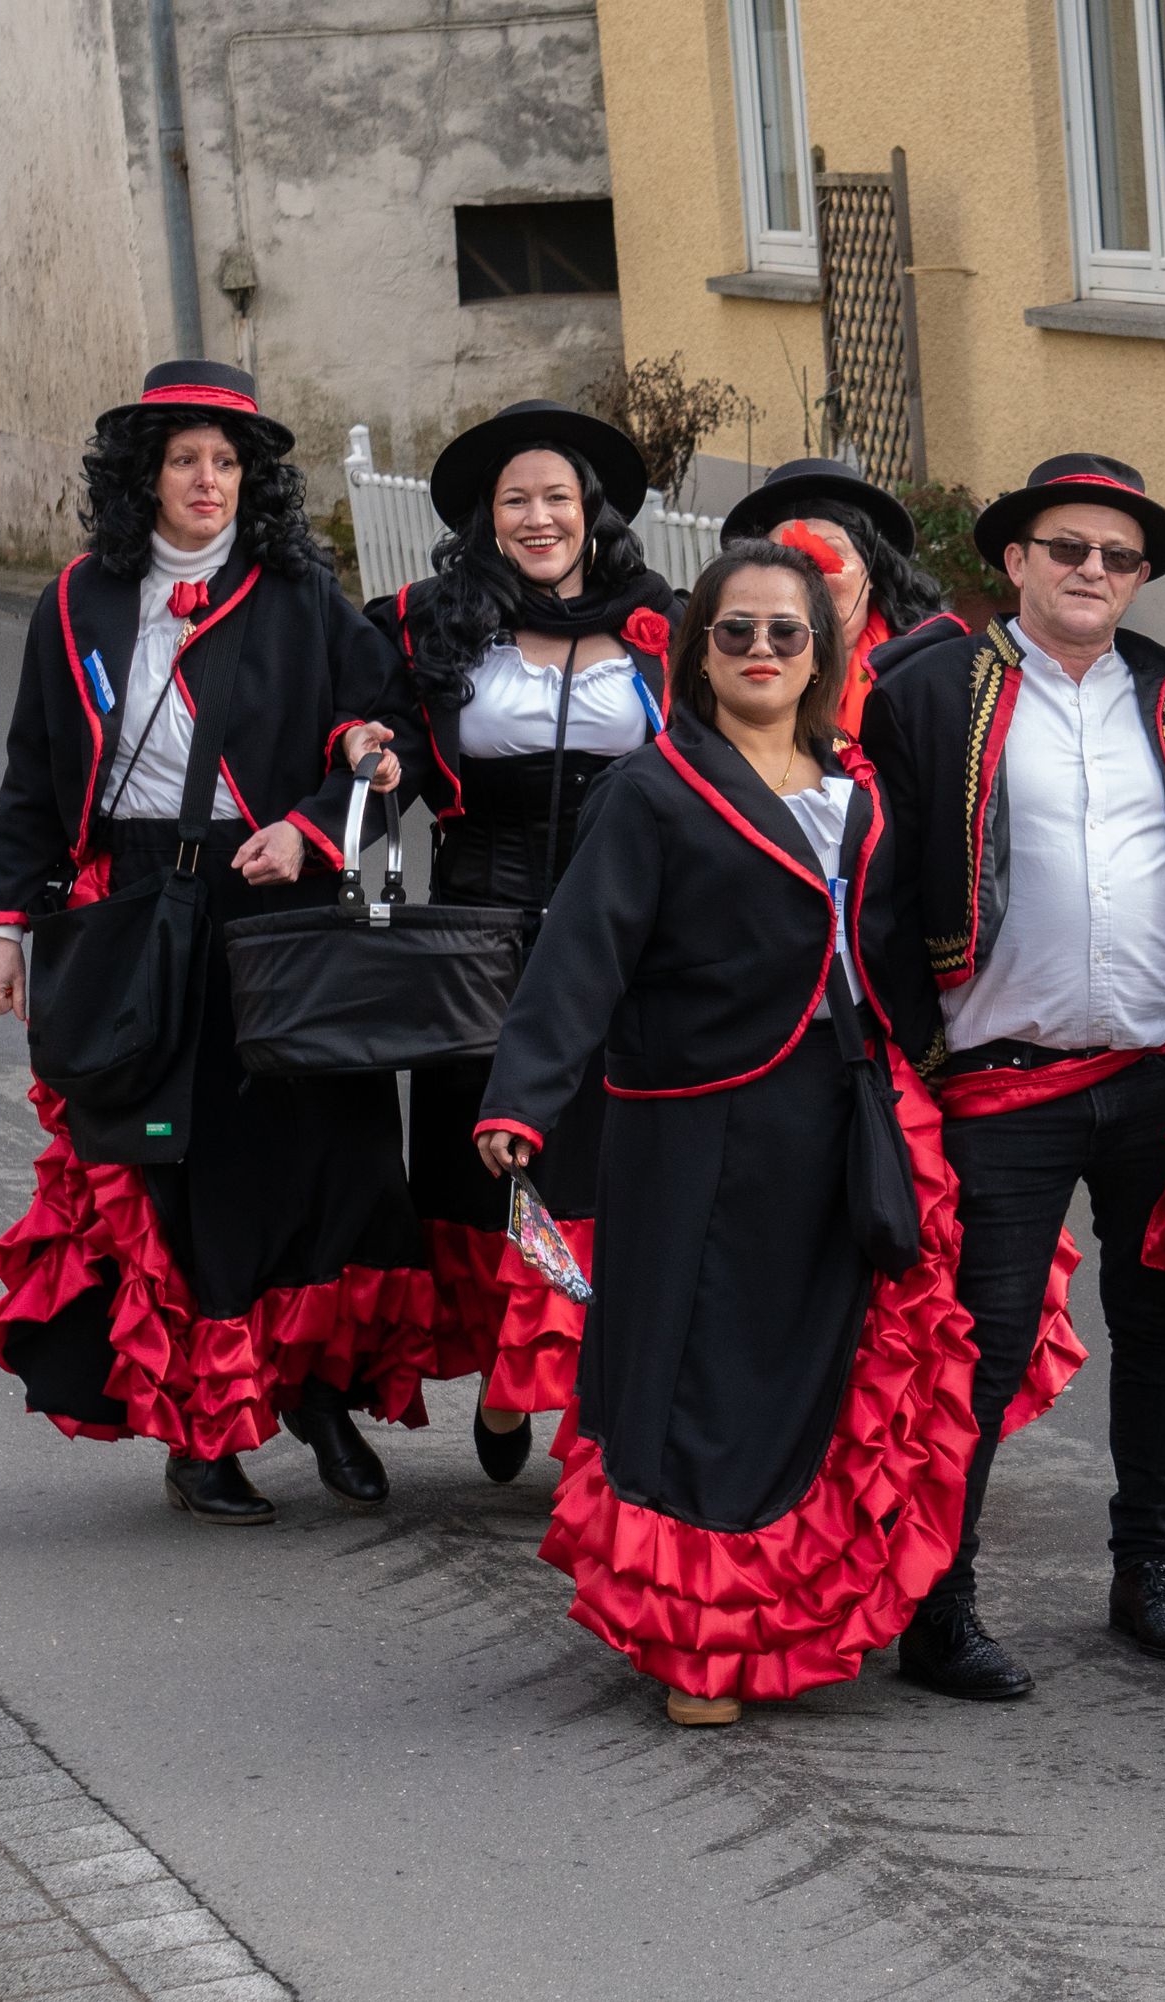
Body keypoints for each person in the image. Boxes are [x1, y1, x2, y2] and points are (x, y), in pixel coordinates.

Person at [472, 541, 977, 1728]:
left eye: (785, 633)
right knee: (699, 1371)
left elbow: (883, 948)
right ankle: (692, 1635)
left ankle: (779, 1610)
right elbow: (578, 956)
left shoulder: (852, 786)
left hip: (830, 1110)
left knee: (811, 1364)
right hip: (692, 1122)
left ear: (820, 655)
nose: (760, 650)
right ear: (699, 649)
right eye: (736, 630)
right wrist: (522, 1101)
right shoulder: (652, 788)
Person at [0, 361, 434, 1525]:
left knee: (332, 1152)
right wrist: (6, 929)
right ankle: (203, 1435)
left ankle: (319, 1389)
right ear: (143, 476)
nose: (208, 481)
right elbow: (35, 773)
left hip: (273, 897)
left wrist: (312, 826)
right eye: (186, 460)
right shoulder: (77, 602)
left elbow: (386, 746)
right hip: (134, 906)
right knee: (181, 1172)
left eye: (228, 463)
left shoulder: (296, 594)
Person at [862, 454, 1165, 1699]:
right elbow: (880, 876)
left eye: (1117, 558)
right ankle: (939, 1604)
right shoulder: (927, 689)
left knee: (1156, 1328)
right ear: (1014, 560)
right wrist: (907, 1045)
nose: (1091, 572)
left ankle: (1146, 1572)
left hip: (1147, 1079)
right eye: (1067, 549)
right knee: (984, 1343)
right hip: (995, 1082)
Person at [367, 401, 681, 1481]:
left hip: (629, 942)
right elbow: (374, 727)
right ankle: (514, 1375)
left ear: (590, 513)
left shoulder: (666, 624)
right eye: (517, 501)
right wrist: (369, 753)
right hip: (479, 940)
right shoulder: (428, 624)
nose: (540, 517)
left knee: (609, 1164)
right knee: (496, 1165)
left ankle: (587, 1395)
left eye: (558, 497)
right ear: (488, 520)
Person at [720, 456, 966, 732]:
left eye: (830, 551)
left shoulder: (924, 670)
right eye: (784, 558)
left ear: (871, 571)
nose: (807, 574)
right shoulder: (729, 665)